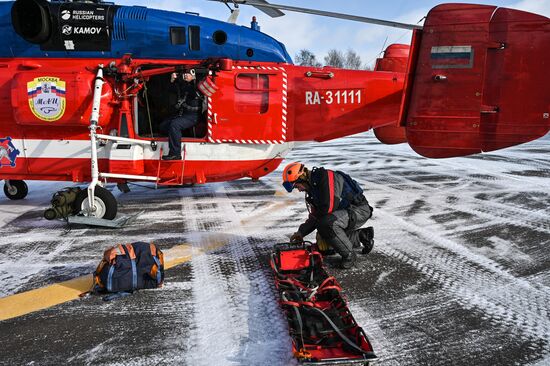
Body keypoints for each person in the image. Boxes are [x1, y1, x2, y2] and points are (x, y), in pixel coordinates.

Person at [283, 162, 374, 269]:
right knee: (324, 246)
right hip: (345, 213)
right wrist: (301, 232)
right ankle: (362, 236)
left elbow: (328, 208)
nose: (299, 189)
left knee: (326, 224)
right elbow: (315, 215)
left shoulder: (325, 177)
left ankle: (349, 255)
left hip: (359, 210)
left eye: (297, 186)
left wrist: (320, 228)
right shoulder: (314, 188)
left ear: (302, 177)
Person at [160, 70, 202, 160]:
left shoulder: (197, 85)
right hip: (183, 114)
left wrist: (189, 80)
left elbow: (194, 92)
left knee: (175, 125)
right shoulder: (183, 85)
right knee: (163, 126)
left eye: (188, 74)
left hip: (193, 116)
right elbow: (169, 91)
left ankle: (175, 153)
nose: (185, 76)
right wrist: (172, 80)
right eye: (184, 74)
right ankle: (176, 137)